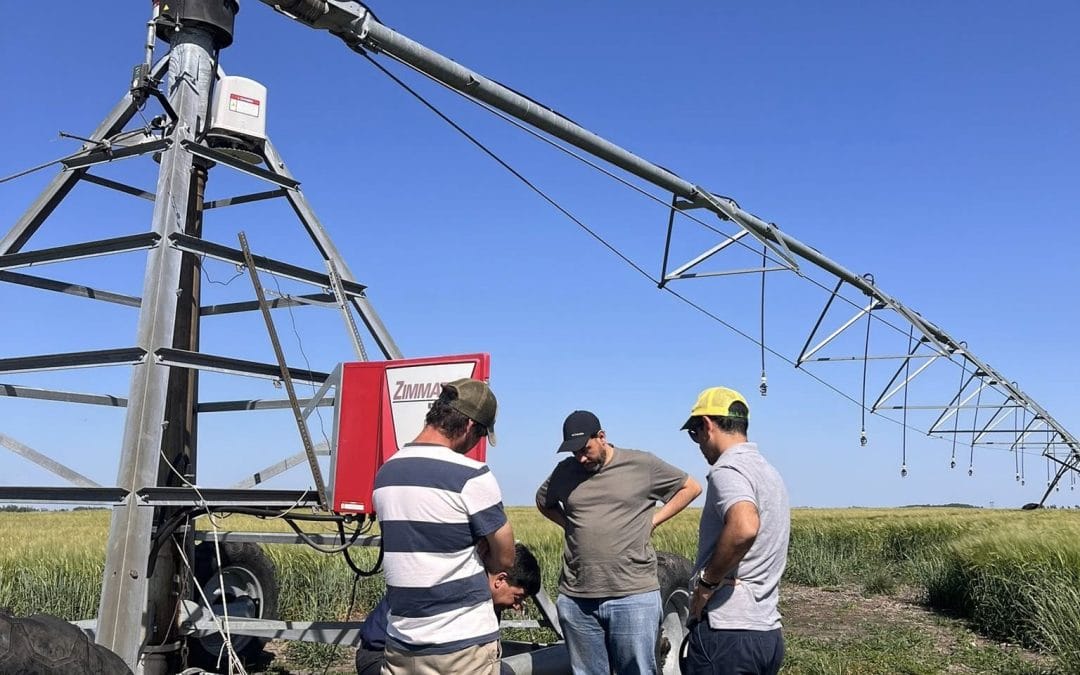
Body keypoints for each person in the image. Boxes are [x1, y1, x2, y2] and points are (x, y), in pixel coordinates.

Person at [535, 410, 702, 675]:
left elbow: (691, 487)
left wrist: (654, 520)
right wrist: (569, 525)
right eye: (573, 452)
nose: (580, 457)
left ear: (601, 437)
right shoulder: (566, 470)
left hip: (633, 595)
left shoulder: (641, 464)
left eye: (585, 449)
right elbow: (543, 501)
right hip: (578, 597)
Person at [372, 378, 516, 675]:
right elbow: (506, 558)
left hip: (401, 640)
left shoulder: (386, 472)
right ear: (468, 427)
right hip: (462, 646)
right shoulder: (471, 475)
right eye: (479, 436)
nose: (475, 445)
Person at [681, 387, 790, 675]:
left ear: (706, 425)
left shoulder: (727, 470)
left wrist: (706, 585)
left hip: (727, 634)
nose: (698, 443)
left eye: (694, 433)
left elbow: (744, 526)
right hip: (767, 632)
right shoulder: (768, 471)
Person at [355, 543, 543, 675]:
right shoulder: (457, 585)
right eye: (518, 598)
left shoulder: (487, 599)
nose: (517, 607)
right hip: (383, 658)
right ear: (500, 580)